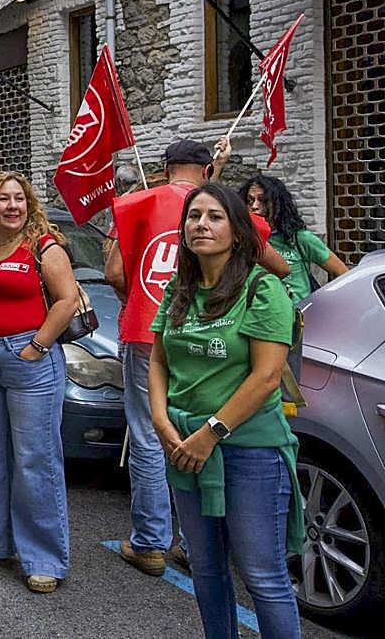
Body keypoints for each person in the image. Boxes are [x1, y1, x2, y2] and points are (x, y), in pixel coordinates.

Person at [105, 139, 289, 577]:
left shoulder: (137, 202)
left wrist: (141, 306)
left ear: (164, 167)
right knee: (206, 424)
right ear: (207, 171)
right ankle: (194, 542)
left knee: (150, 435)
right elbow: (278, 265)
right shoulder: (222, 210)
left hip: (150, 329)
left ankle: (150, 541)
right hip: (214, 330)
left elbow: (113, 271)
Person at [149, 184, 303, 638]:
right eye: (193, 216)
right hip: (183, 446)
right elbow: (159, 359)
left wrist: (211, 432)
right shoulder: (179, 288)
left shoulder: (264, 288)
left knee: (262, 577)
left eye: (215, 216)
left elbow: (266, 377)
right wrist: (160, 420)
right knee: (207, 572)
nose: (201, 224)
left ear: (237, 231)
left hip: (248, 451)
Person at [0, 171, 78, 593]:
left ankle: (44, 557)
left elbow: (67, 299)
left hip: (28, 361)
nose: (13, 206)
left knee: (35, 461)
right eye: (3, 199)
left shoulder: (44, 245)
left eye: (19, 199)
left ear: (29, 204)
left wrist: (39, 346)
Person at [240, 174, 348, 300]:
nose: (254, 206)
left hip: (299, 314)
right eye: (250, 200)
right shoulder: (242, 240)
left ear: (278, 204)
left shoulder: (300, 238)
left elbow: (343, 273)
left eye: (263, 200)